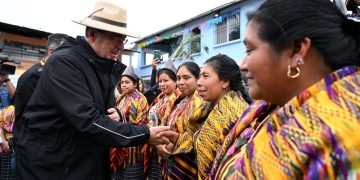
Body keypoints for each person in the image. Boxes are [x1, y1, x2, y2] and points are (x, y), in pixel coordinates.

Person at [15, 1, 170, 179]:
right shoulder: (65, 63)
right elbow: (88, 120)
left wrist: (117, 115)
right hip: (53, 167)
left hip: (83, 164)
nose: (120, 46)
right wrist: (145, 134)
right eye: (115, 38)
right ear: (92, 34)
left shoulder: (101, 67)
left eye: (123, 39)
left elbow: (102, 114)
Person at [210, 0, 360, 179]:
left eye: (250, 50)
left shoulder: (343, 141)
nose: (242, 65)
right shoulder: (266, 109)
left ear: (296, 51)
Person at [194, 54, 251, 179]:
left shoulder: (235, 113)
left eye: (205, 76)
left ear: (225, 81)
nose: (198, 82)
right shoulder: (207, 108)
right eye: (199, 76)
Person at [158, 61, 212, 179]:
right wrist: (160, 145)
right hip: (169, 161)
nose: (180, 82)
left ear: (198, 79)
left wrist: (176, 144)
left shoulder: (202, 104)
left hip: (188, 165)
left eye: (186, 78)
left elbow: (201, 138)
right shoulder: (175, 101)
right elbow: (164, 124)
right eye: (178, 78)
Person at [13, 33, 68, 138]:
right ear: (51, 51)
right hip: (31, 139)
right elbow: (37, 113)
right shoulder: (35, 76)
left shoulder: (49, 73)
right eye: (64, 52)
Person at [110, 65, 149, 179]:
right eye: (122, 82)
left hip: (133, 148)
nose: (124, 85)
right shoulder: (121, 99)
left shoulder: (141, 99)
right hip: (119, 145)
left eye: (127, 82)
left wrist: (123, 123)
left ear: (135, 84)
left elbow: (142, 123)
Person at [147, 60, 180, 179]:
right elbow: (150, 123)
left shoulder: (180, 101)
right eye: (160, 81)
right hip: (155, 148)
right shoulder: (157, 101)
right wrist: (157, 145)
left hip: (172, 150)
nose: (162, 84)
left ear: (175, 81)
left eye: (166, 80)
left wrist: (165, 146)